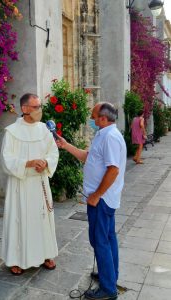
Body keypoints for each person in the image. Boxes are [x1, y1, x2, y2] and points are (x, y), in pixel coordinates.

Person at [56, 102, 126, 300]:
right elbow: (88, 157)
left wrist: (96, 194)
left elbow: (113, 169)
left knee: (100, 240)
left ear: (103, 118)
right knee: (108, 238)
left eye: (94, 116)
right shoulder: (103, 134)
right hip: (103, 199)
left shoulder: (110, 137)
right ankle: (109, 275)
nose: (91, 119)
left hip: (101, 200)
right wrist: (65, 145)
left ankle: (108, 289)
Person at [0, 93, 59, 275]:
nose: (39, 110)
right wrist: (28, 163)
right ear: (24, 109)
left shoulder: (44, 130)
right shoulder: (11, 132)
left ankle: (46, 254)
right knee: (20, 221)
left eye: (40, 106)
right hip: (21, 184)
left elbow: (53, 152)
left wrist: (46, 163)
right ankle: (16, 259)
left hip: (39, 183)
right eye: (35, 107)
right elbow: (6, 159)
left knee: (43, 220)